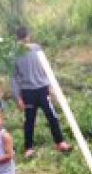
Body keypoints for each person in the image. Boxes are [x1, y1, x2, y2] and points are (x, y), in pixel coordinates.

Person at [11, 26, 72, 158]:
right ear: (27, 36)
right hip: (28, 92)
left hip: (42, 89)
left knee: (51, 116)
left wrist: (50, 85)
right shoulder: (15, 54)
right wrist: (18, 97)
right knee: (30, 120)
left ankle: (60, 142)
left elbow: (45, 68)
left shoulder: (36, 49)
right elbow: (15, 77)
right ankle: (29, 148)